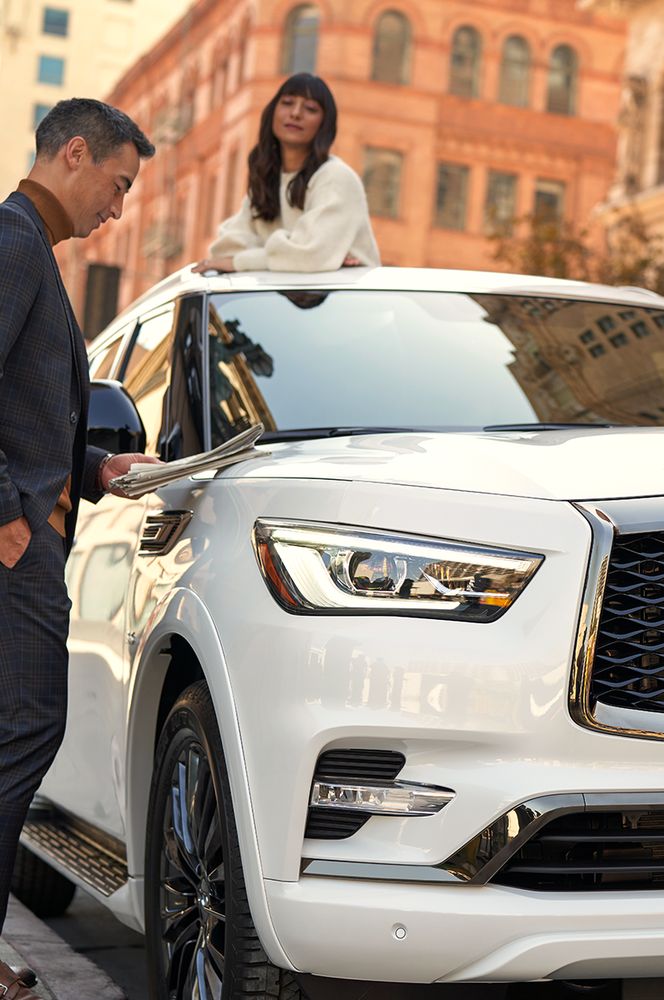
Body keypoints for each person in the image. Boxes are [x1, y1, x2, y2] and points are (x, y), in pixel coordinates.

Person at [0, 97, 160, 988]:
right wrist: (7, 517)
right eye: (118, 183)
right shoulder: (16, 241)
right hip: (16, 547)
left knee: (18, 733)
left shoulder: (29, 246)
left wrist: (97, 468)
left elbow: (27, 411)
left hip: (32, 531)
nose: (119, 208)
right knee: (28, 729)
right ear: (73, 153)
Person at [193, 73, 380, 274]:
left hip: (345, 292)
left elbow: (309, 256)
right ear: (273, 111)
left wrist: (246, 260)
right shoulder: (267, 181)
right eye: (287, 103)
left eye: (310, 109)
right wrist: (291, 254)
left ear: (324, 124)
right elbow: (225, 250)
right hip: (286, 292)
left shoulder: (336, 178)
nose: (296, 113)